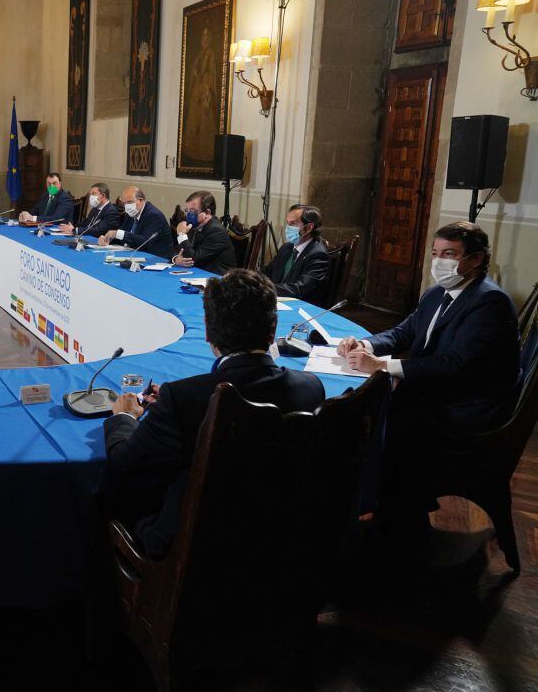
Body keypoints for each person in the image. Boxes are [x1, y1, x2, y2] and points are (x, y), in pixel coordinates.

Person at [102, 269, 325, 559]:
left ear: (207, 331)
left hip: (192, 555)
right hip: (284, 548)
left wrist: (125, 418)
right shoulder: (311, 388)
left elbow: (125, 462)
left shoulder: (182, 398)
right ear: (273, 330)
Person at [337, 222, 520, 528]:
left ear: (475, 259)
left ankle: (391, 509)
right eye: (435, 253)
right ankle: (376, 497)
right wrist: (365, 344)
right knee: (372, 411)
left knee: (374, 418)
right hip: (439, 391)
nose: (439, 262)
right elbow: (402, 333)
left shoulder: (489, 301)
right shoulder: (437, 292)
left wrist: (382, 366)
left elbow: (454, 363)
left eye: (449, 254)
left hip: (465, 407)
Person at [261, 204, 331, 306]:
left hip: (302, 308)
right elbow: (267, 272)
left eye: (293, 224)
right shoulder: (286, 248)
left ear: (309, 227)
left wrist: (263, 288)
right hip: (277, 302)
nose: (288, 228)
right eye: (287, 223)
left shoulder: (318, 255)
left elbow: (299, 289)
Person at [171, 191, 237, 274]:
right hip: (197, 272)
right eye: (187, 211)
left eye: (193, 211)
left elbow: (193, 258)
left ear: (207, 212)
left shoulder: (216, 231)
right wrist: (176, 259)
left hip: (218, 279)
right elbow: (177, 249)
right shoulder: (193, 226)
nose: (189, 215)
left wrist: (181, 234)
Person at [98, 186, 172, 260]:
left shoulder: (154, 215)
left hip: (155, 259)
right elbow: (123, 235)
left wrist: (117, 233)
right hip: (135, 255)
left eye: (130, 202)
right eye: (124, 203)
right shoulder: (132, 213)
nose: (127, 206)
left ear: (140, 200)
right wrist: (108, 239)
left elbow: (145, 242)